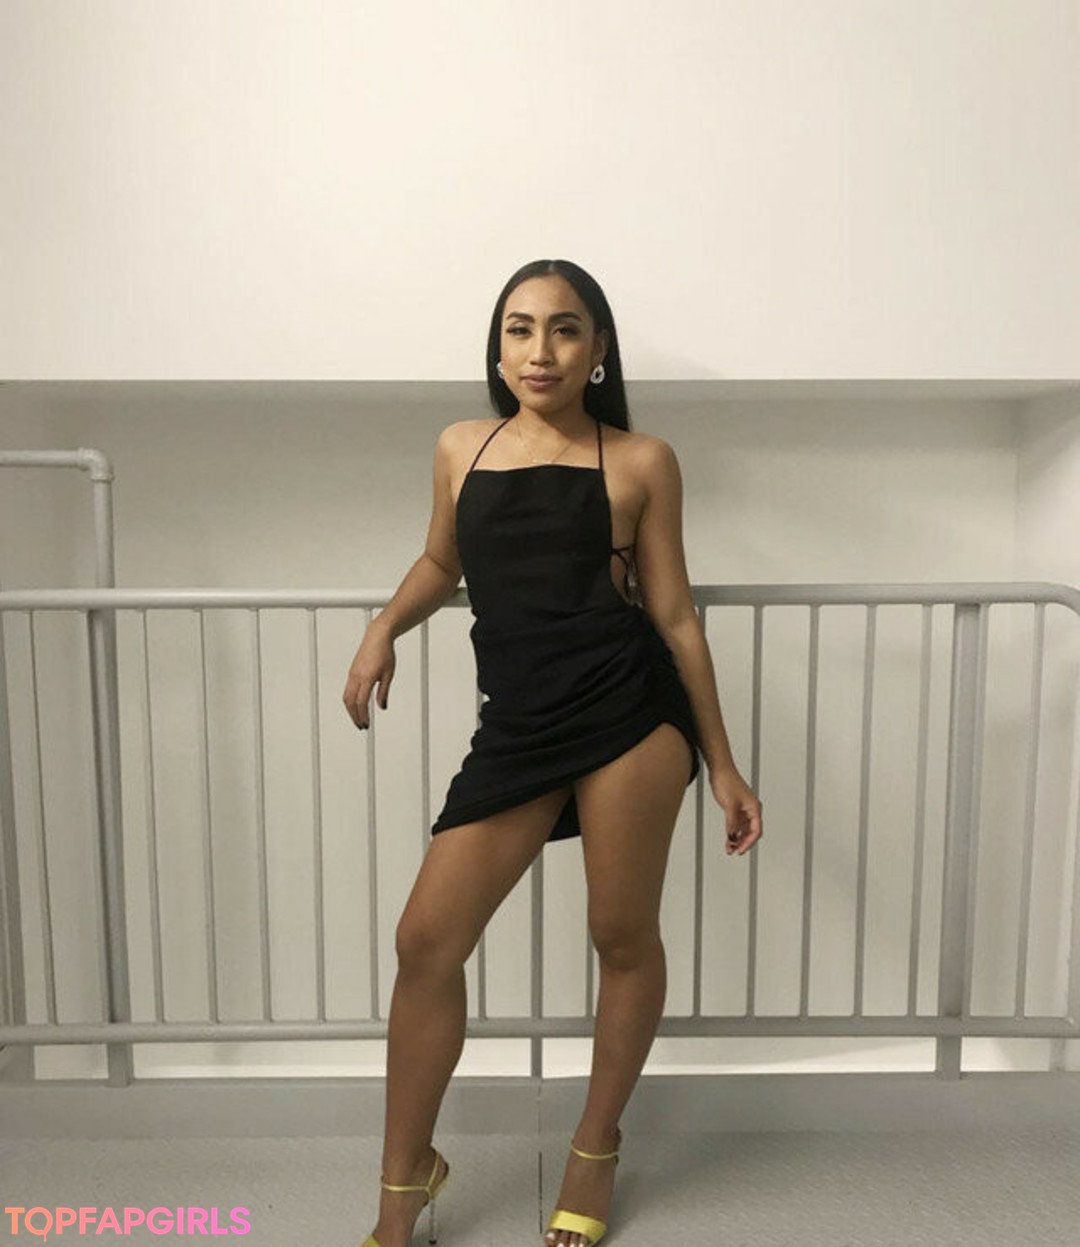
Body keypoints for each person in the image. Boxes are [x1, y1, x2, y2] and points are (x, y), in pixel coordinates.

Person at [343, 259, 763, 1247]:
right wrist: (383, 625)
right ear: (499, 347)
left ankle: (594, 1146)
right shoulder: (462, 445)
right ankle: (404, 1184)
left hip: (629, 711)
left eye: (566, 329)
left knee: (621, 933)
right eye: (521, 328)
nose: (542, 350)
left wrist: (724, 762)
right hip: (520, 722)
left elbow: (675, 615)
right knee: (424, 941)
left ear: (598, 349)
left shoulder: (642, 459)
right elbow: (442, 560)